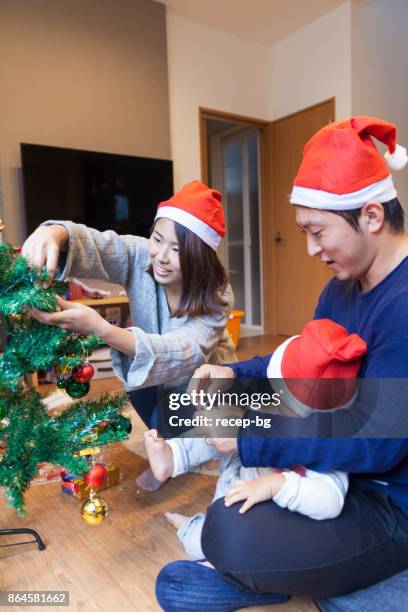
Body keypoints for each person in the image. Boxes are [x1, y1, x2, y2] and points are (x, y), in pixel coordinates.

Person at [155, 116, 408, 610]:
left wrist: (253, 436)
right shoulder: (340, 288)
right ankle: (302, 573)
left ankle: (278, 570)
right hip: (328, 442)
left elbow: (378, 442)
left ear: (372, 217)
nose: (311, 249)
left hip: (384, 495)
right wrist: (235, 375)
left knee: (230, 532)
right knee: (183, 406)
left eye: (317, 232)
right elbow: (299, 358)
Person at [22, 180, 237, 489]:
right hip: (150, 364)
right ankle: (163, 450)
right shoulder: (141, 255)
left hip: (204, 377)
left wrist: (102, 329)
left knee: (220, 430)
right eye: (157, 239)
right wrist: (54, 233)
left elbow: (185, 352)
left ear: (199, 257)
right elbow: (99, 245)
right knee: (139, 381)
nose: (161, 256)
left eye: (176, 250)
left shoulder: (218, 294)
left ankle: (188, 445)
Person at [145, 319, 366, 562]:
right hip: (237, 483)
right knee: (224, 424)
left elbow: (329, 501)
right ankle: (173, 457)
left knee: (202, 543)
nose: (273, 402)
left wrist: (276, 485)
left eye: (283, 402)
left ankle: (193, 530)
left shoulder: (327, 449)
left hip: (264, 514)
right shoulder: (274, 406)